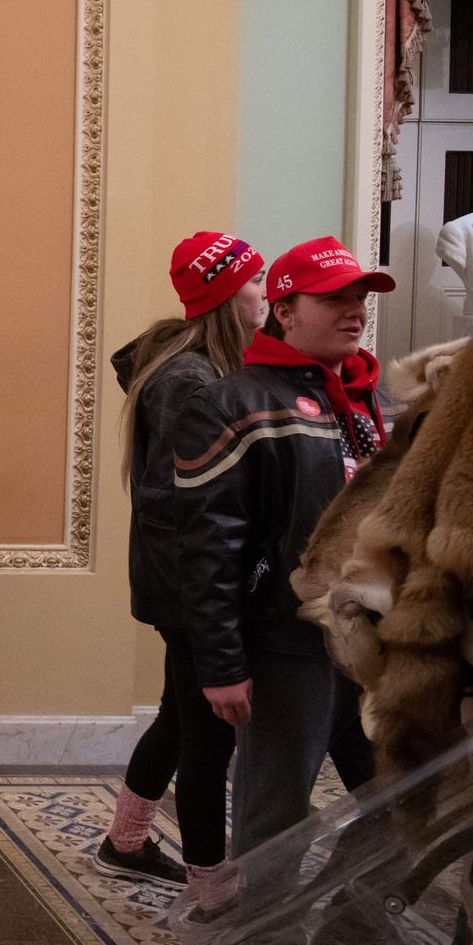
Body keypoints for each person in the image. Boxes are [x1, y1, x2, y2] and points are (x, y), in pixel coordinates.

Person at [171, 236, 429, 945]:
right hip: (285, 645)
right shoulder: (233, 402)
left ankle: (351, 938)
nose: (356, 311)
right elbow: (205, 550)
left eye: (362, 297)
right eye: (334, 298)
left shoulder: (372, 403)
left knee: (407, 792)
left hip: (378, 647)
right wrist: (220, 662)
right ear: (284, 307)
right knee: (274, 813)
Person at [95, 233, 267, 894]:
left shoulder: (191, 366)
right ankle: (210, 885)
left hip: (188, 584)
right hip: (195, 588)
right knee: (208, 738)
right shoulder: (193, 380)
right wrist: (213, 602)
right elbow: (181, 509)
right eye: (255, 279)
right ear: (225, 293)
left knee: (179, 713)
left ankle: (126, 840)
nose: (265, 291)